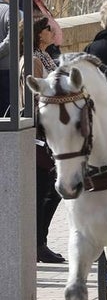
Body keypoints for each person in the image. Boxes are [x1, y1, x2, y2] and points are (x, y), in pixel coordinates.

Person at [24, 16, 64, 263]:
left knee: (51, 189)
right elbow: (34, 98)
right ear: (40, 34)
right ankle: (38, 244)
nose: (53, 32)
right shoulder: (34, 61)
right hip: (41, 135)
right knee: (47, 190)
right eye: (49, 29)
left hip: (51, 132)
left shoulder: (45, 56)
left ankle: (41, 242)